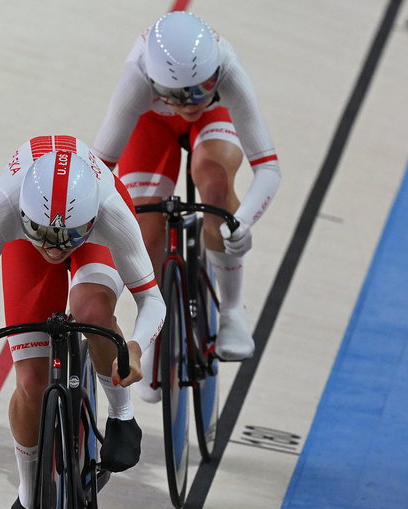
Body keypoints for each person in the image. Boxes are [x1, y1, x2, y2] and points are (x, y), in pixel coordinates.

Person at [0, 135, 165, 509]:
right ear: (23, 216)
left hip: (95, 235)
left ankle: (122, 417)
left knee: (92, 311)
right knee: (30, 380)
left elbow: (152, 300)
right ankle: (28, 499)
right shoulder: (3, 207)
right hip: (34, 237)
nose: (54, 247)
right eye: (44, 236)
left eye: (65, 239)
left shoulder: (110, 210)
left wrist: (137, 349)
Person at [92, 10, 280, 401]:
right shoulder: (137, 78)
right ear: (155, 83)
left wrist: (241, 221)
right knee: (146, 228)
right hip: (152, 125)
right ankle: (155, 333)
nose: (189, 103)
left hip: (217, 119)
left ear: (215, 75)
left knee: (214, 184)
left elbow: (268, 168)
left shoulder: (228, 71)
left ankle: (231, 311)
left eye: (200, 89)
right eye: (177, 96)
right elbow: (100, 166)